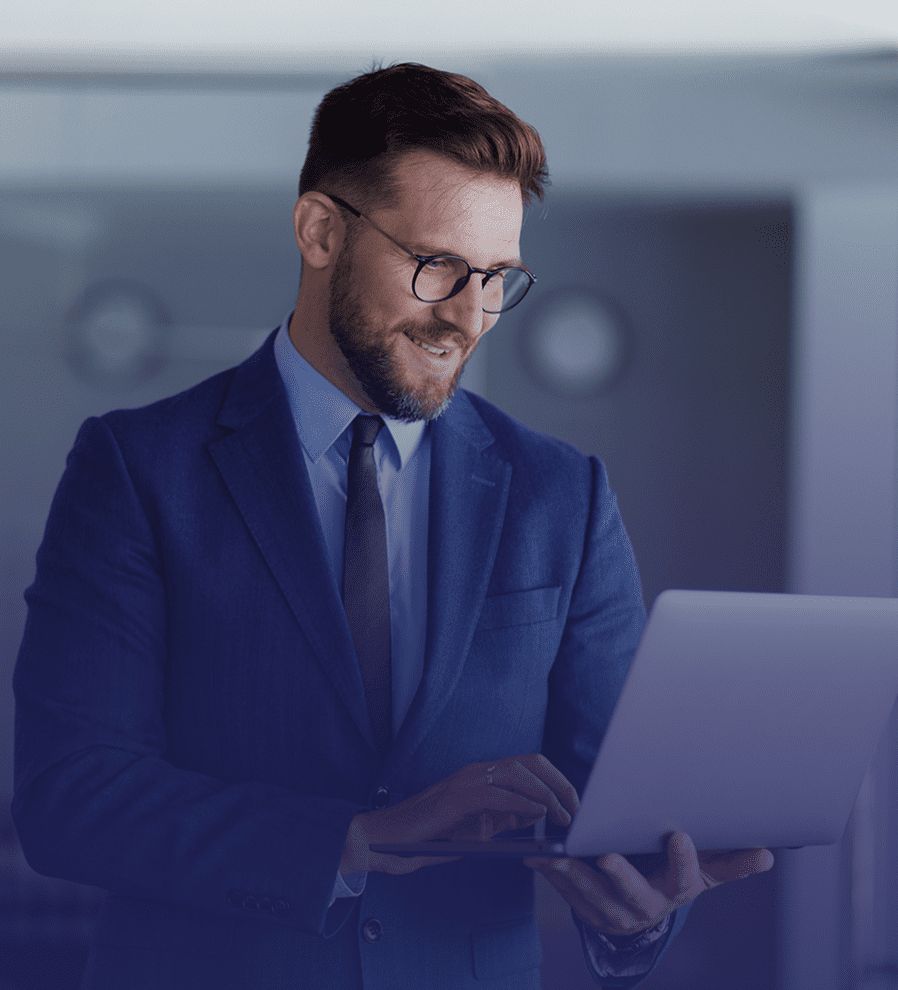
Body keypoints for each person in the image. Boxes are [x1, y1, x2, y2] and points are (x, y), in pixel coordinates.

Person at [12, 63, 772, 989]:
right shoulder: (139, 469)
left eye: (497, 278)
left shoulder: (560, 495)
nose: (467, 316)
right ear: (320, 230)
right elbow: (71, 795)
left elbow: (611, 803)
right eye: (437, 265)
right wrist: (352, 840)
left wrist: (636, 919)